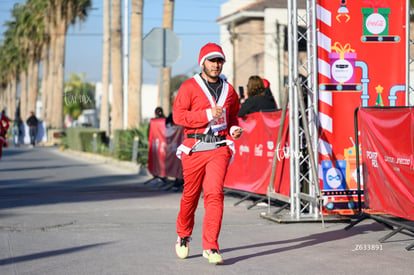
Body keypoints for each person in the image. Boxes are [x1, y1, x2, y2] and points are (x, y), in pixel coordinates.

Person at [173, 42, 243, 264]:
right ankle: (183, 235)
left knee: (214, 195)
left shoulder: (229, 90)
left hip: (219, 148)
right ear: (202, 62)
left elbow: (232, 118)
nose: (216, 64)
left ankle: (211, 246)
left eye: (219, 60)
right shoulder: (189, 87)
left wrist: (234, 130)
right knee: (190, 197)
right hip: (194, 148)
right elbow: (178, 116)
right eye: (212, 60)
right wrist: (206, 114)